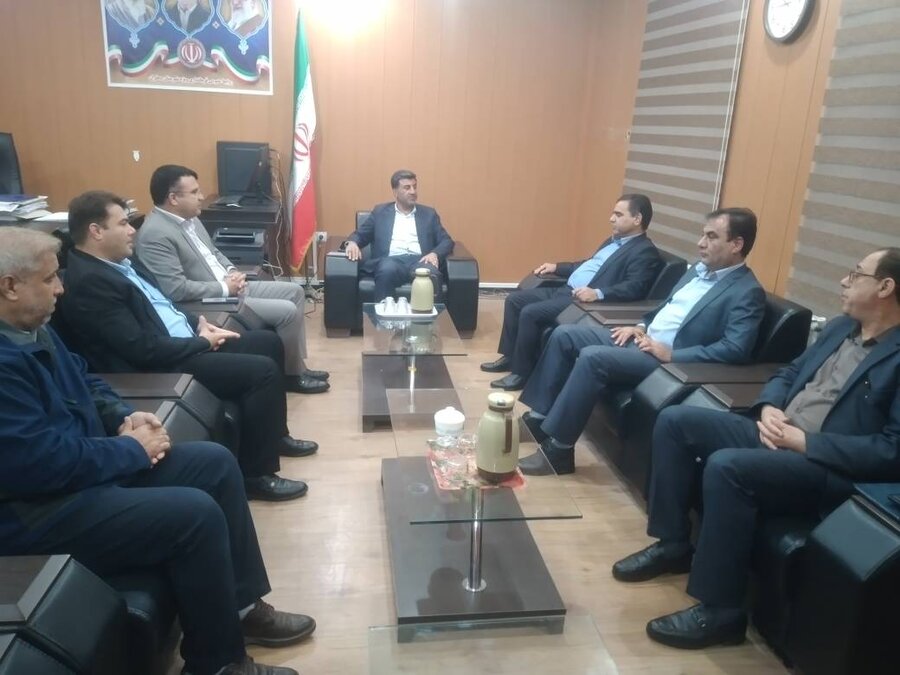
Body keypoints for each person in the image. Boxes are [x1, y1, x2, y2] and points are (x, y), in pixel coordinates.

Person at [0, 227, 314, 675]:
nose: (60, 289)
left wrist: (121, 416)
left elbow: (85, 378)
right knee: (193, 515)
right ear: (10, 286)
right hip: (33, 512)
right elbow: (39, 465)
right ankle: (217, 665)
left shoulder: (31, 329)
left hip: (81, 467)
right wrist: (129, 450)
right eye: (50, 279)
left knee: (214, 463)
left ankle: (242, 609)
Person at [612, 248, 900, 650]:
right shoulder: (839, 328)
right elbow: (788, 372)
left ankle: (722, 613)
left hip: (826, 465)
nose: (844, 281)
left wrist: (806, 442)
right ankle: (673, 544)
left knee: (727, 467)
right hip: (777, 430)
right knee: (676, 421)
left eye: (856, 274)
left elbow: (891, 451)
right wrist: (769, 406)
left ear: (885, 287)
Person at [58, 191, 315, 502]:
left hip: (183, 339)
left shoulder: (121, 262)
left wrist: (198, 323)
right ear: (96, 231)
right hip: (161, 363)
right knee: (262, 372)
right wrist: (200, 342)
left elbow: (163, 303)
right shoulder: (90, 282)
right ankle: (256, 476)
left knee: (267, 341)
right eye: (123, 223)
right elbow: (141, 349)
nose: (132, 231)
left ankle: (275, 437)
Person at [518, 208, 766, 476]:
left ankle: (559, 451)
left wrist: (672, 354)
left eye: (711, 236)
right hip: (643, 339)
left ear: (736, 244)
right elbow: (664, 308)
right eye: (702, 235)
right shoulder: (696, 270)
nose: (700, 243)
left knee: (593, 358)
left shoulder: (747, 291)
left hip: (668, 362)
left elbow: (735, 348)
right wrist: (639, 326)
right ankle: (539, 419)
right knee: (565, 334)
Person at [135, 164, 328, 395]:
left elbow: (214, 252)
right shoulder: (155, 234)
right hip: (211, 300)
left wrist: (232, 270)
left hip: (230, 285)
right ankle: (290, 377)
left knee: (295, 292)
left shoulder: (190, 219)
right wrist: (225, 288)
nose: (201, 197)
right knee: (287, 310)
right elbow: (175, 289)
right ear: (173, 198)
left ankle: (296, 366)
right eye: (194, 192)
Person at [480, 194, 662, 391]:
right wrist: (557, 267)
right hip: (566, 289)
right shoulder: (612, 242)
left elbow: (635, 287)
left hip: (583, 303)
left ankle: (521, 374)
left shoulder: (644, 251)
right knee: (514, 300)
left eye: (618, 214)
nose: (611, 219)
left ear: (637, 219)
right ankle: (510, 357)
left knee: (530, 312)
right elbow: (588, 265)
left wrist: (598, 293)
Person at [343, 169, 454, 302]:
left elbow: (446, 241)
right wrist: (352, 243)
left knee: (431, 275)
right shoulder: (380, 212)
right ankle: (384, 314)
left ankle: (429, 316)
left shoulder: (429, 214)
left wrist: (435, 253)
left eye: (414, 187)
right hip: (391, 261)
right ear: (395, 192)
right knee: (386, 270)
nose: (413, 191)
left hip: (420, 261)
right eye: (407, 188)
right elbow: (361, 235)